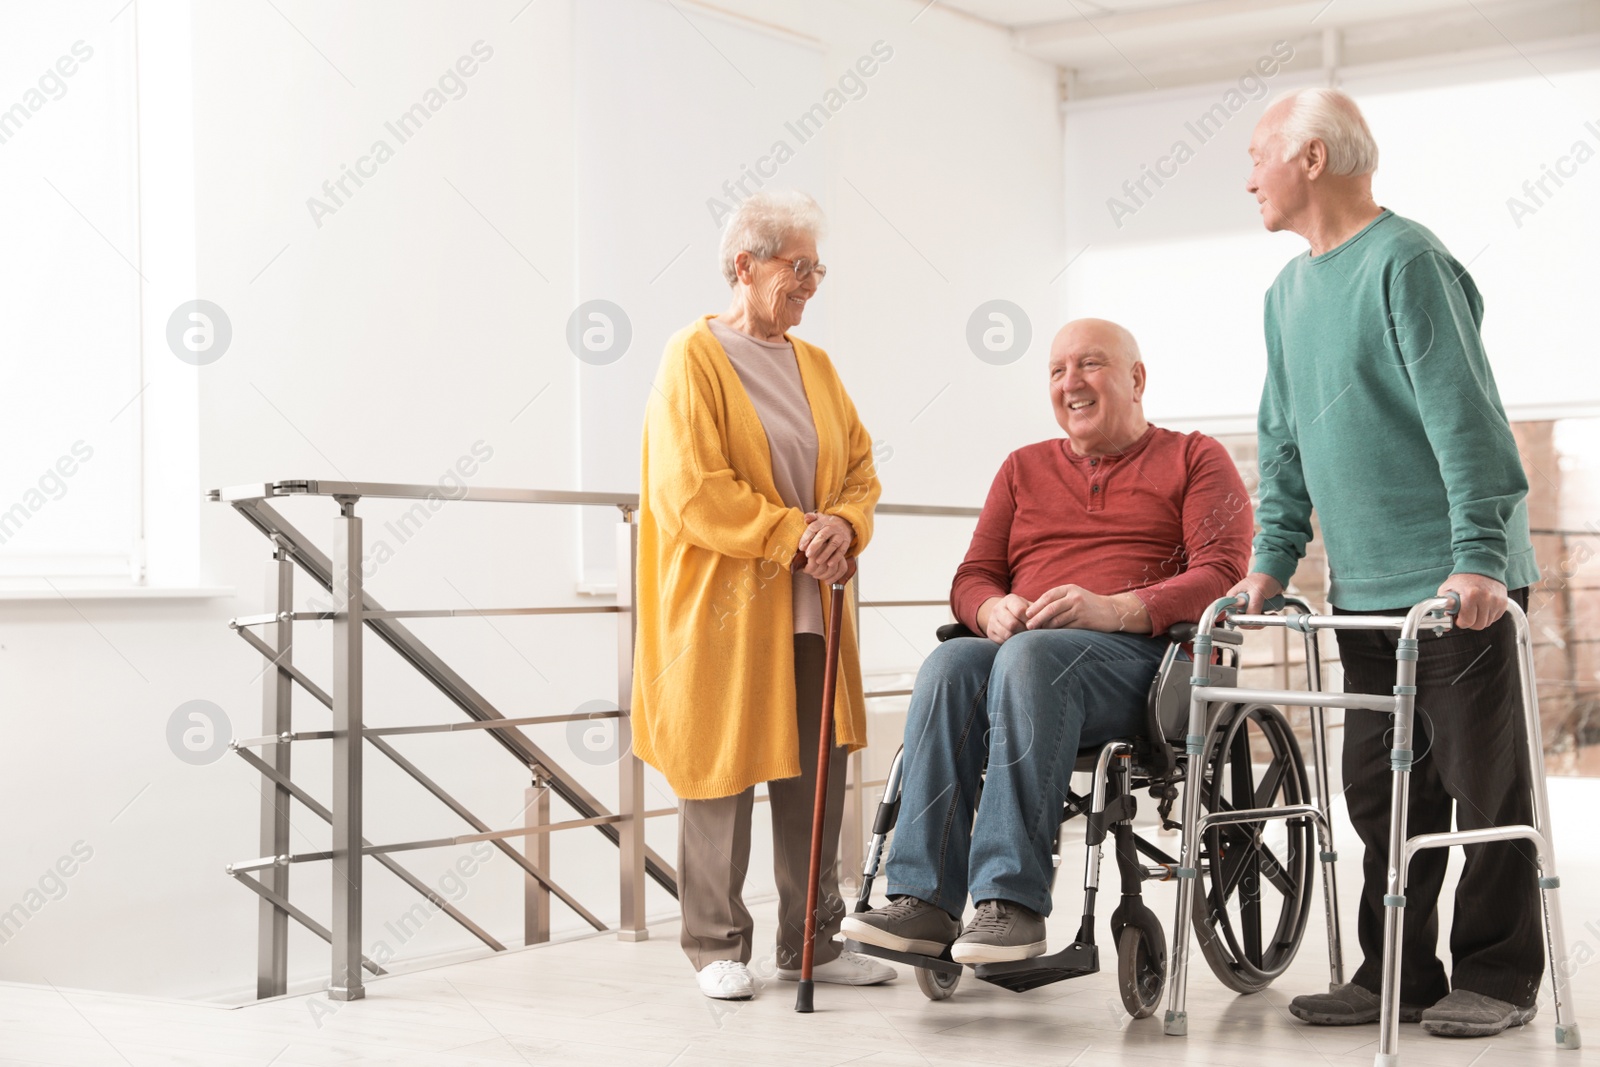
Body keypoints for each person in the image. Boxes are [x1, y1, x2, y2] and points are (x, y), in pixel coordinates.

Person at [1234, 88, 1543, 1039]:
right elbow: (1281, 440)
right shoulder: (1286, 294)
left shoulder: (1407, 261)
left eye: (1257, 154)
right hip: (1361, 588)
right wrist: (1270, 563)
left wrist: (1480, 559)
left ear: (1313, 157)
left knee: (1481, 786)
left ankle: (1499, 973)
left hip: (1459, 584)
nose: (1247, 175)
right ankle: (1397, 972)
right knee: (1380, 788)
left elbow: (1465, 417)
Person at [844, 318, 1251, 964]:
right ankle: (923, 899)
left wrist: (1117, 608)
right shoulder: (1021, 468)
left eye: (1088, 365)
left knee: (1032, 656)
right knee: (952, 661)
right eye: (1057, 371)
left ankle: (1011, 904)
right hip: (1025, 653)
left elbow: (1222, 572)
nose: (1070, 383)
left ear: (1137, 379)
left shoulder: (1194, 457)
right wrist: (989, 606)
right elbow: (972, 576)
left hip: (1144, 664)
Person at [631, 189, 893, 1001]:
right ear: (745, 266)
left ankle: (812, 937)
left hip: (814, 603)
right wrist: (793, 535)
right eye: (798, 266)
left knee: (813, 773)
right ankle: (714, 941)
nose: (811, 282)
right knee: (718, 770)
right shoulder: (693, 356)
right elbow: (690, 489)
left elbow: (859, 470)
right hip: (724, 608)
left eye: (818, 268)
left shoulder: (816, 365)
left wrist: (843, 526)